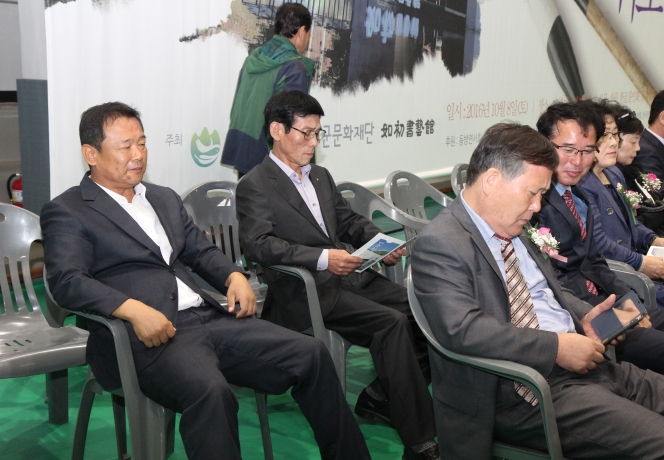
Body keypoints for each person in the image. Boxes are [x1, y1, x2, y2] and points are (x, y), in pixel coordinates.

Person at [40, 102, 371, 460]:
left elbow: (200, 251)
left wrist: (233, 276)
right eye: (125, 146)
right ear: (91, 154)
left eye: (142, 143)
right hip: (146, 338)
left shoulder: (162, 198)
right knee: (211, 392)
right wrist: (132, 310)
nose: (138, 155)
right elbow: (67, 281)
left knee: (311, 354)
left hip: (209, 318)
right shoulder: (69, 209)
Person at [412, 121, 664, 459]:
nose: (537, 207)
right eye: (533, 193)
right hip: (527, 393)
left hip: (591, 368)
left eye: (542, 195)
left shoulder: (512, 224)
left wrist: (587, 316)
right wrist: (557, 347)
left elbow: (549, 291)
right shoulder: (441, 243)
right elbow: (463, 329)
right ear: (492, 181)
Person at [236, 90, 438, 460]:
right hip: (306, 290)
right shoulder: (255, 184)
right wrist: (322, 259)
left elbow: (346, 220)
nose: (313, 142)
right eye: (306, 133)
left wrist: (379, 242)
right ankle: (421, 441)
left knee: (426, 311)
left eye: (318, 134)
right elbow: (259, 246)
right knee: (390, 323)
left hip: (349, 278)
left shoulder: (320, 176)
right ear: (277, 130)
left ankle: (380, 395)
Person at [534, 100, 664, 384]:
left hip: (609, 301)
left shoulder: (577, 196)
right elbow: (550, 282)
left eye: (586, 151)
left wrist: (629, 301)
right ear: (544, 145)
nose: (577, 161)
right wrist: (608, 314)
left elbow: (595, 261)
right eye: (568, 149)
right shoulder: (534, 203)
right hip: (580, 314)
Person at [578, 100, 664, 312]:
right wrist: (640, 262)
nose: (613, 143)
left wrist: (652, 239)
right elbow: (599, 243)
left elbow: (631, 221)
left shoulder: (614, 173)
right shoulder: (582, 184)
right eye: (605, 136)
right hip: (619, 275)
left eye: (615, 135)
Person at [220, 3, 315, 178]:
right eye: (309, 33)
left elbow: (237, 107)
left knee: (249, 196)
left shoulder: (254, 58)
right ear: (302, 31)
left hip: (245, 152)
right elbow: (293, 125)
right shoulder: (294, 68)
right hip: (273, 162)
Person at [614, 104, 664, 247]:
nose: (638, 148)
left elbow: (657, 203)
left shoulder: (632, 170)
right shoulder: (613, 178)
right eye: (633, 142)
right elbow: (626, 228)